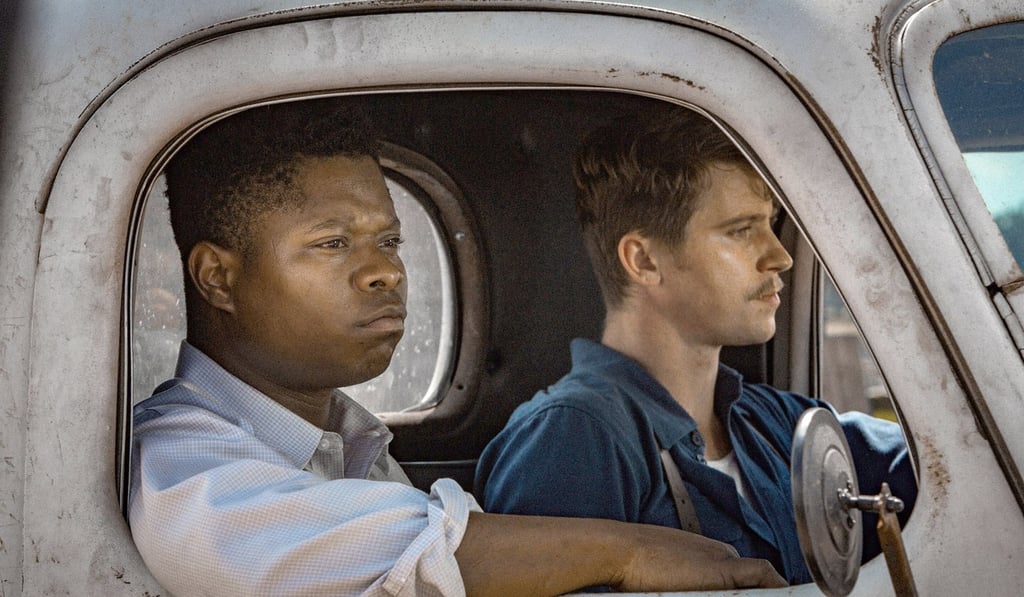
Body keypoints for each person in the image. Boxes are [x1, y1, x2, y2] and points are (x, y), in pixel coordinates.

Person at [127, 100, 787, 596]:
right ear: (218, 277)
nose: (385, 272)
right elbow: (418, 547)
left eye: (389, 242)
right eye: (333, 244)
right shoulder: (182, 469)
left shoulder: (348, 445)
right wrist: (630, 553)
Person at [474, 104, 917, 586]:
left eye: (770, 225)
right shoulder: (572, 440)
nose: (781, 256)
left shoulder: (775, 423)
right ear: (643, 260)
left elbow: (950, 462)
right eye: (741, 231)